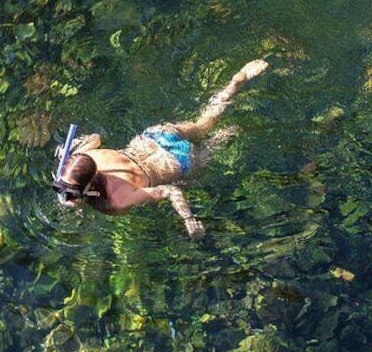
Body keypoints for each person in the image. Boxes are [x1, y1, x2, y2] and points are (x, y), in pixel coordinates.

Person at [50, 59, 269, 239]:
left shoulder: (117, 200)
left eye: (70, 192)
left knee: (223, 138)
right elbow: (96, 138)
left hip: (176, 161)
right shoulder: (85, 156)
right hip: (156, 137)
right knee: (205, 122)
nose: (64, 195)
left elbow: (171, 190)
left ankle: (238, 128)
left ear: (88, 187)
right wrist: (72, 152)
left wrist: (188, 220)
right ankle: (234, 84)